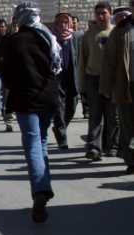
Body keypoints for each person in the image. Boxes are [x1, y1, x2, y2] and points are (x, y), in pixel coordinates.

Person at [2, 2, 61, 223]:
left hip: (26, 100)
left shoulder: (14, 41)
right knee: (42, 140)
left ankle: (40, 191)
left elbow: (6, 74)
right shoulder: (49, 38)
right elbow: (58, 67)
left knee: (33, 143)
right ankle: (43, 186)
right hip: (49, 98)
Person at [79, 1, 119, 161]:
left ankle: (112, 146)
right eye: (98, 13)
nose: (101, 16)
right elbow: (83, 59)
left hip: (113, 80)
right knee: (95, 115)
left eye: (104, 13)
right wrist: (81, 84)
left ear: (110, 13)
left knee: (112, 115)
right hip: (93, 79)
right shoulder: (89, 34)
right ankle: (94, 148)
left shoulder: (117, 33)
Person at [100, 3, 134, 174]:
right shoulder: (120, 30)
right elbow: (109, 62)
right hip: (126, 84)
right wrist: (106, 86)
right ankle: (131, 160)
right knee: (127, 124)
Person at [51, 13, 79, 150]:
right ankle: (62, 138)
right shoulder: (51, 39)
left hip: (73, 78)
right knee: (59, 108)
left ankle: (58, 128)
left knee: (72, 106)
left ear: (70, 24)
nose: (63, 25)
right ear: (56, 25)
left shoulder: (77, 38)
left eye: (65, 22)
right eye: (59, 23)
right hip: (57, 79)